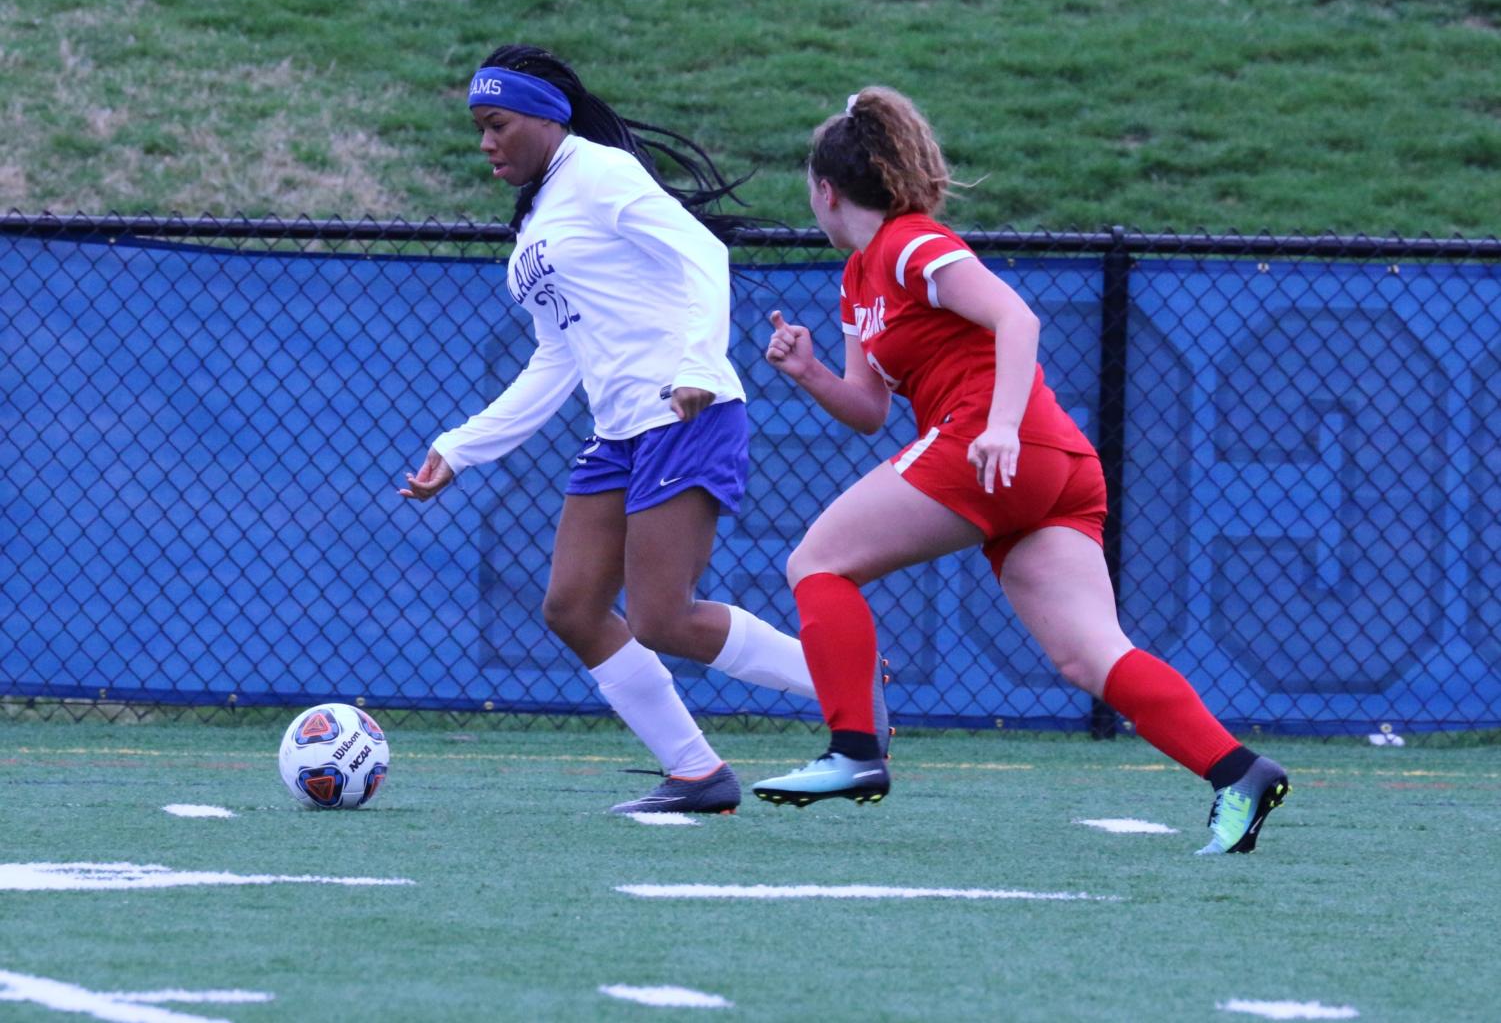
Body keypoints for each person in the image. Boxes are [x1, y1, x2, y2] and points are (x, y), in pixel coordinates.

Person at [752, 86, 1288, 855]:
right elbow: (868, 408)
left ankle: (855, 755)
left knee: (817, 563)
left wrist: (999, 426)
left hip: (997, 444)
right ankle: (1237, 771)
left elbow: (1016, 317)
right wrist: (807, 373)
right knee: (1087, 654)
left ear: (825, 189)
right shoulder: (857, 278)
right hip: (1047, 465)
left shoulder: (911, 243)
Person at [399, 44, 874, 815]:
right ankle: (695, 773)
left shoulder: (598, 173)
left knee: (662, 617)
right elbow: (555, 361)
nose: (485, 142)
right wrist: (461, 447)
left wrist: (694, 361)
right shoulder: (536, 225)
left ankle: (847, 686)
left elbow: (703, 251)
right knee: (572, 608)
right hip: (619, 434)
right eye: (478, 129)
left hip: (686, 412)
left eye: (497, 124)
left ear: (547, 118)